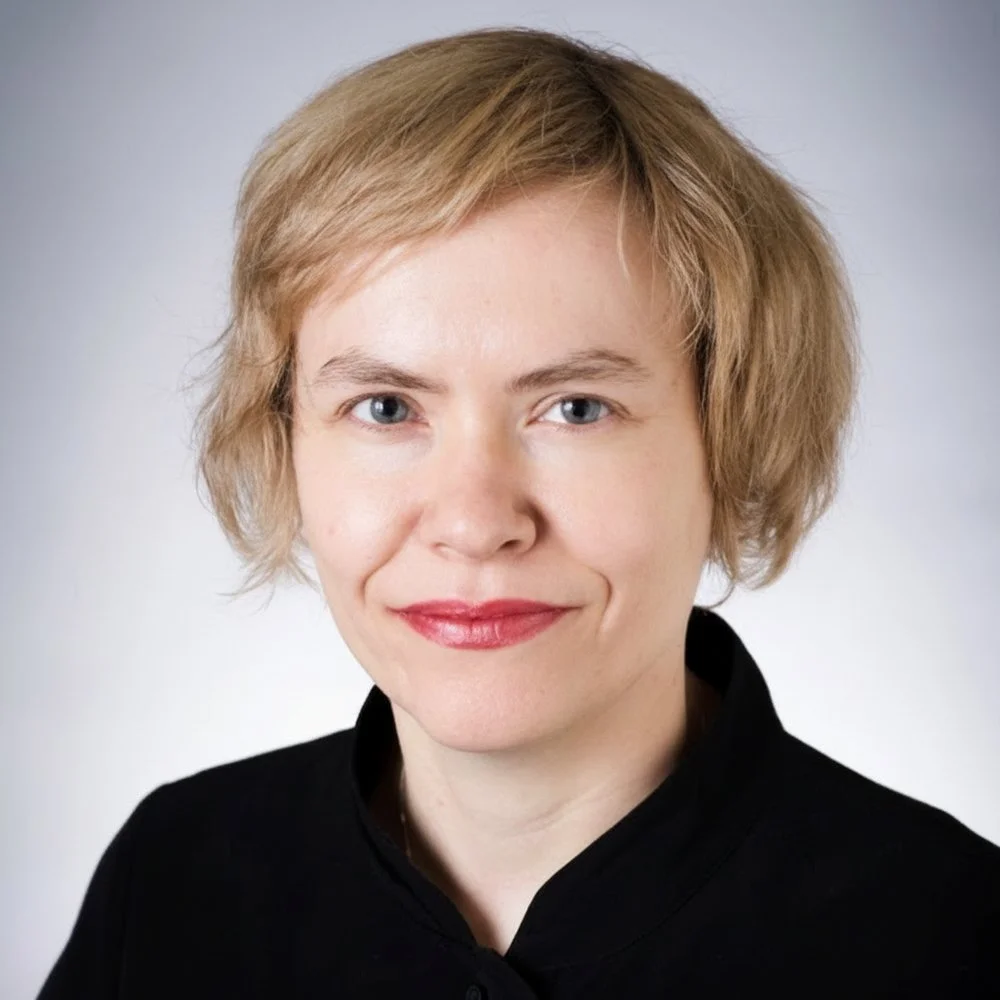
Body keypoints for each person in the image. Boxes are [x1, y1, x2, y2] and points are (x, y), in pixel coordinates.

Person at [37, 25, 999, 999]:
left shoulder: (954, 935)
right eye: (385, 407)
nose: (473, 519)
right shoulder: (170, 885)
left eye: (575, 408)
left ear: (731, 436)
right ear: (284, 435)